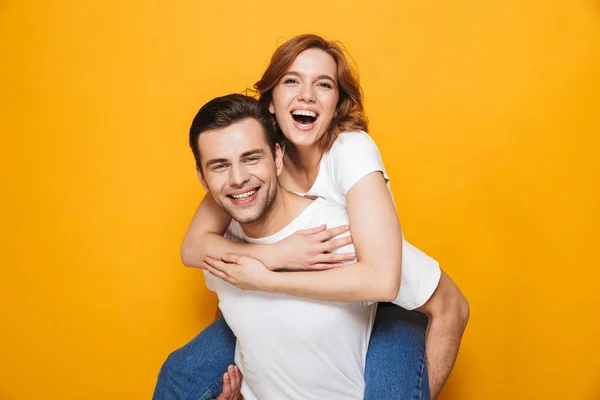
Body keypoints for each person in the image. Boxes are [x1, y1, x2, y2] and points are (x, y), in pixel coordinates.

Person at [155, 34, 469, 400]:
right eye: (291, 80)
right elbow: (194, 246)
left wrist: (267, 280)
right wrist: (276, 256)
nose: (306, 95)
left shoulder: (350, 152)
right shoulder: (248, 159)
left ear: (337, 104)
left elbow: (384, 280)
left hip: (380, 297)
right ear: (270, 101)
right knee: (179, 375)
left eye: (323, 84)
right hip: (298, 298)